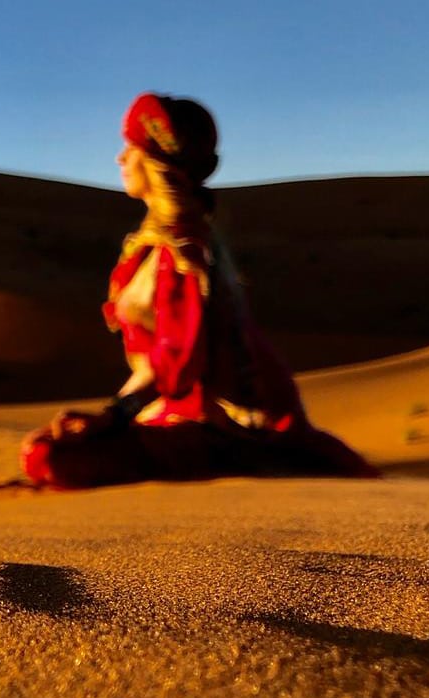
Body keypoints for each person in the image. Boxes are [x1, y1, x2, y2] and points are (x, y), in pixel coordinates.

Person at [20, 93, 376, 488]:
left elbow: (176, 360)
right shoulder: (163, 244)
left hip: (230, 428)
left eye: (130, 148)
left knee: (51, 457)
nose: (120, 159)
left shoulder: (185, 252)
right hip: (184, 415)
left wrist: (113, 416)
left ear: (155, 160)